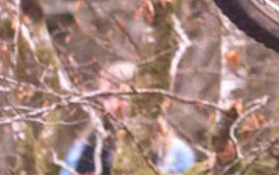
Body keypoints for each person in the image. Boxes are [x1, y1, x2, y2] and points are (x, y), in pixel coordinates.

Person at [60, 61, 196, 174]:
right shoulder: (83, 151)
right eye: (107, 97)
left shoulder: (175, 154)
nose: (115, 105)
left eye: (122, 96)